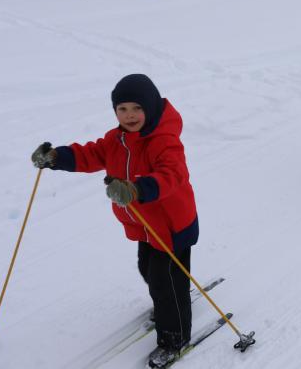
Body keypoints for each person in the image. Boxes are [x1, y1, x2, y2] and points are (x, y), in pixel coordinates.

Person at [30, 74, 198, 367]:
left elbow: (173, 175)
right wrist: (57, 157)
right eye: (122, 109)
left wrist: (137, 189)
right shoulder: (115, 140)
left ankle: (175, 336)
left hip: (171, 227)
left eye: (137, 108)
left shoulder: (164, 142)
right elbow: (90, 154)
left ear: (152, 108)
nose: (129, 115)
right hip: (145, 228)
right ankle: (167, 301)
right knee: (147, 269)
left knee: (165, 280)